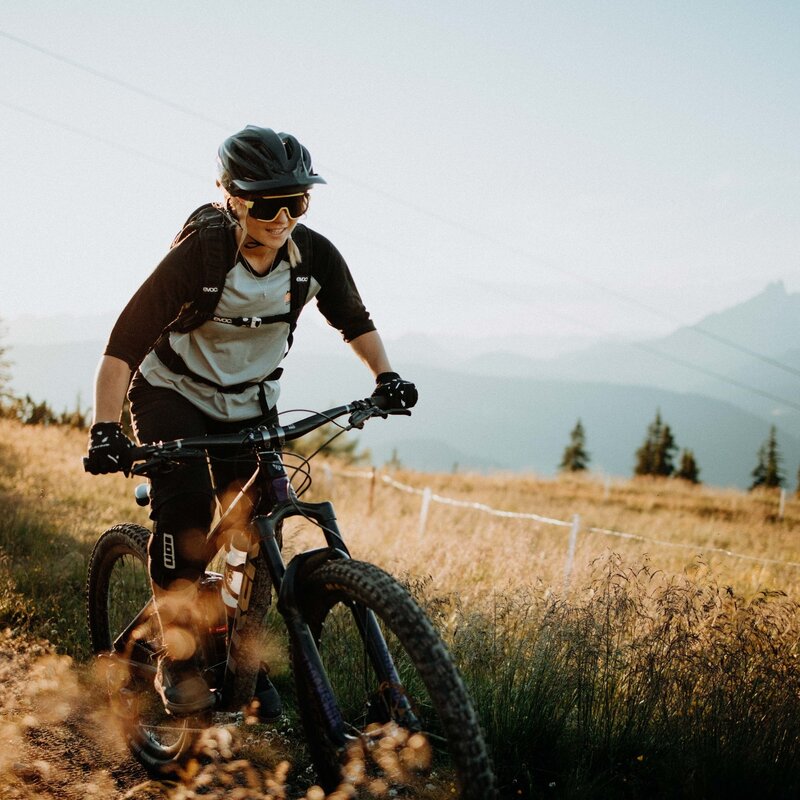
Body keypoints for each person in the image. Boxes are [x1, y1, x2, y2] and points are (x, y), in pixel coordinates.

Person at [85, 125, 417, 718]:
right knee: (186, 515)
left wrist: (384, 377)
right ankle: (177, 658)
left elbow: (353, 318)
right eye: (269, 203)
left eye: (299, 201)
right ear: (233, 197)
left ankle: (240, 659)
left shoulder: (312, 255)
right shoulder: (201, 256)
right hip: (173, 394)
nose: (284, 216)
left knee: (255, 528)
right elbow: (125, 342)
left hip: (251, 403)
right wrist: (106, 428)